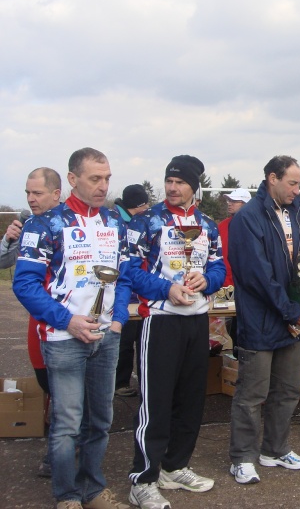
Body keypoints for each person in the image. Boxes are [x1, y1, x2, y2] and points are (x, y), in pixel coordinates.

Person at [13, 148, 132, 509]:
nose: (103, 185)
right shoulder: (45, 224)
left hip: (105, 337)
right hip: (64, 338)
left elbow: (123, 276)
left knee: (100, 420)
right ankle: (67, 496)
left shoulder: (114, 221)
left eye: (107, 178)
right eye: (95, 178)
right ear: (72, 179)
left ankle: (92, 490)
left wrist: (118, 320)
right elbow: (26, 285)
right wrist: (67, 320)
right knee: (67, 423)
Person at [127, 155, 225, 509]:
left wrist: (207, 280)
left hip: (197, 319)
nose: (172, 187)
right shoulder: (149, 220)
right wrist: (164, 289)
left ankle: (175, 465)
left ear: (193, 186)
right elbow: (129, 270)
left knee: (191, 399)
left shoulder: (208, 225)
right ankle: (143, 479)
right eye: (169, 180)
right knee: (156, 401)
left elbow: (219, 267)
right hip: (161, 319)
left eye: (180, 182)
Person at [227, 156, 300, 485]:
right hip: (262, 319)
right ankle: (243, 458)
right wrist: (293, 311)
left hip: (291, 319)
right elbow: (256, 276)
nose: (297, 189)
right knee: (251, 394)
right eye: (292, 182)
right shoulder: (248, 218)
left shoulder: (298, 212)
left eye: (299, 182)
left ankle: (275, 450)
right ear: (272, 178)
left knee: (288, 390)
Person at [1, 167, 62, 478]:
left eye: (37, 193)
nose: (31, 198)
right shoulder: (27, 226)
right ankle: (61, 446)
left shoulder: (70, 226)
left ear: (56, 193)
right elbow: (3, 264)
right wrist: (9, 241)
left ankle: (59, 454)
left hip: (68, 323)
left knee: (69, 391)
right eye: (28, 193)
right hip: (38, 323)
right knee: (47, 384)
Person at [113, 184, 150, 398]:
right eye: (144, 204)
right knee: (125, 340)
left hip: (136, 293)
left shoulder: (129, 220)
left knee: (135, 339)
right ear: (137, 205)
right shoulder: (122, 223)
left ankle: (127, 381)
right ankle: (120, 382)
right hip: (125, 294)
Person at [218, 188, 251, 290]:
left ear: (246, 204)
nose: (229, 204)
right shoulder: (221, 225)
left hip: (246, 285)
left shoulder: (255, 225)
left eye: (234, 201)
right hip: (223, 282)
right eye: (229, 201)